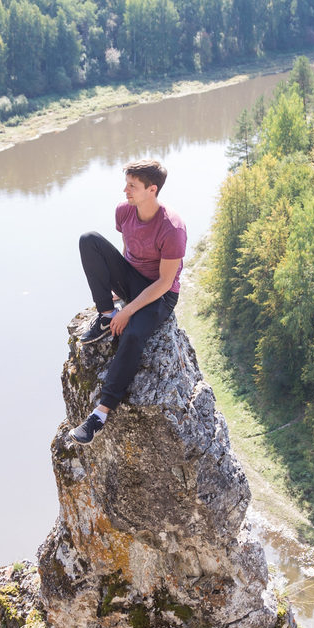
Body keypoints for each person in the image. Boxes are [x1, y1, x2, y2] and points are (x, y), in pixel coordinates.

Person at [70, 159, 187, 444]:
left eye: (132, 186)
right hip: (134, 281)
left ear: (152, 189)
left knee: (133, 333)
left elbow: (163, 282)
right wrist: (119, 298)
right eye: (126, 184)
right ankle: (106, 314)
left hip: (161, 293)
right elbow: (130, 249)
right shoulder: (124, 211)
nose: (125, 191)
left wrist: (130, 311)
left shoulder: (172, 228)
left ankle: (100, 413)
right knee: (89, 240)